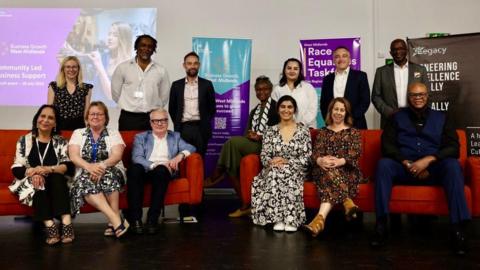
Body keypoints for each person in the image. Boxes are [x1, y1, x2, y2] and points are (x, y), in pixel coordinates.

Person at [370, 82, 471, 255]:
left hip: (434, 169)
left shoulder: (442, 117)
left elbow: (453, 147)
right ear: (408, 97)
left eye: (422, 94)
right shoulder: (396, 117)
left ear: (427, 96)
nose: (418, 98)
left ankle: (457, 229)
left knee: (453, 166)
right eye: (414, 95)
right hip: (404, 169)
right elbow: (387, 146)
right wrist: (407, 163)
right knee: (383, 164)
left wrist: (428, 161)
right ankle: (381, 225)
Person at [205, 76, 280, 217]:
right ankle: (246, 203)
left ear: (270, 90)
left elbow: (282, 133)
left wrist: (260, 137)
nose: (261, 92)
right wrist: (251, 136)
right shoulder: (254, 111)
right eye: (258, 89)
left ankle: (218, 172)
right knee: (232, 163)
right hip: (253, 144)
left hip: (267, 146)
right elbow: (246, 134)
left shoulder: (277, 108)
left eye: (265, 89)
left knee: (231, 142)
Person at [9, 105, 75, 245]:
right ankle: (50, 226)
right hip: (31, 180)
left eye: (50, 118)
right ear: (37, 118)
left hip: (55, 179)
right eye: (42, 116)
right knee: (38, 182)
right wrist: (32, 173)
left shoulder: (60, 141)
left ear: (55, 123)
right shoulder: (24, 140)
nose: (45, 120)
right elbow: (16, 167)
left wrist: (49, 169)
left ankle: (66, 222)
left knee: (57, 177)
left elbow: (68, 166)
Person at [127, 109, 196, 235]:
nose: (160, 123)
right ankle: (135, 219)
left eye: (163, 120)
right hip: (146, 169)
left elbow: (190, 147)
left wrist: (179, 156)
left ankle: (152, 219)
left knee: (161, 171)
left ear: (167, 122)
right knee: (134, 169)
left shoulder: (175, 136)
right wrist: (154, 165)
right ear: (151, 123)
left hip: (163, 173)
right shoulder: (141, 137)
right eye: (156, 121)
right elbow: (136, 157)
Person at [251, 95, 312, 232]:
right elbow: (264, 155)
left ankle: (291, 220)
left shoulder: (303, 131)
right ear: (278, 110)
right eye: (283, 107)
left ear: (294, 110)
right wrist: (271, 161)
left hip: (297, 168)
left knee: (285, 170)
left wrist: (287, 161)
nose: (286, 110)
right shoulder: (269, 131)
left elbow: (307, 157)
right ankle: (278, 219)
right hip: (274, 167)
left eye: (290, 107)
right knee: (276, 171)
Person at [69, 101, 129, 238]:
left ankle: (112, 222)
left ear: (105, 117)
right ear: (87, 117)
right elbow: (73, 156)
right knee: (85, 180)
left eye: (99, 114)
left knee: (109, 176)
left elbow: (116, 156)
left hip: (111, 167)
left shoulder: (113, 133)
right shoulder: (78, 133)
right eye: (92, 114)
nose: (95, 117)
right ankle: (115, 220)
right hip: (85, 170)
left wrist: (101, 167)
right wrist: (89, 167)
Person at [304, 98, 362, 237]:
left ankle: (319, 221)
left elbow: (355, 154)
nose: (338, 113)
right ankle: (347, 202)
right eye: (336, 109)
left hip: (346, 170)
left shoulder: (353, 132)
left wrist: (340, 161)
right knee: (327, 171)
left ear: (346, 113)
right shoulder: (323, 132)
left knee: (329, 175)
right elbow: (315, 154)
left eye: (342, 110)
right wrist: (320, 160)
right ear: (331, 111)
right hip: (322, 169)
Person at [111, 34, 170, 131]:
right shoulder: (123, 68)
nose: (146, 49)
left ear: (153, 50)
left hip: (152, 118)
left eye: (150, 46)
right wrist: (130, 105)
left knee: (151, 146)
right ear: (136, 47)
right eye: (143, 45)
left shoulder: (161, 70)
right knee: (128, 145)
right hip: (128, 118)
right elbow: (115, 94)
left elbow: (164, 97)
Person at [371, 39, 428, 128]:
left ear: (407, 50)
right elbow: (375, 96)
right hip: (390, 118)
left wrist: (419, 112)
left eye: (401, 48)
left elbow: (428, 94)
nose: (398, 52)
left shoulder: (420, 70)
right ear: (390, 52)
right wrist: (389, 112)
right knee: (390, 142)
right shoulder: (381, 71)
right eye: (394, 49)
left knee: (414, 141)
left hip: (415, 116)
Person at [169, 51, 216, 157]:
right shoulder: (176, 85)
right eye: (189, 63)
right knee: (182, 158)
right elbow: (172, 109)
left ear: (198, 65)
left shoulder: (207, 84)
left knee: (199, 158)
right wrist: (179, 124)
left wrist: (204, 122)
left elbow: (212, 108)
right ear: (184, 65)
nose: (192, 66)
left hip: (201, 128)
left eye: (195, 63)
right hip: (183, 129)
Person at [320, 47, 370, 129]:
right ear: (333, 60)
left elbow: (365, 101)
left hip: (356, 124)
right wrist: (330, 120)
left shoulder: (361, 76)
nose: (341, 59)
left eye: (344, 56)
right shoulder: (327, 79)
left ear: (349, 59)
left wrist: (349, 119)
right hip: (333, 126)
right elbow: (323, 104)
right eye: (337, 56)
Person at [88, 22, 133, 102]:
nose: (109, 38)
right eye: (109, 34)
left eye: (115, 35)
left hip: (113, 111)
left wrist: (100, 66)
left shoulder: (130, 65)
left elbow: (112, 96)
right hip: (95, 107)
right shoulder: (103, 57)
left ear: (124, 38)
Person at [47, 56, 93, 130]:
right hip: (58, 127)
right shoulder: (54, 86)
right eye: (68, 67)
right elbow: (49, 109)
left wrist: (88, 129)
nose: (71, 69)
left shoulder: (86, 88)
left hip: (79, 127)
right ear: (63, 69)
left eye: (74, 67)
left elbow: (86, 112)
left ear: (78, 69)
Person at [272, 58, 318, 128]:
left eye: (295, 69)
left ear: (300, 71)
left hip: (307, 129)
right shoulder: (277, 89)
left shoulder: (308, 88)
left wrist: (301, 124)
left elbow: (312, 110)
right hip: (284, 129)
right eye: (289, 68)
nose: (292, 71)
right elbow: (275, 111)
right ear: (284, 70)